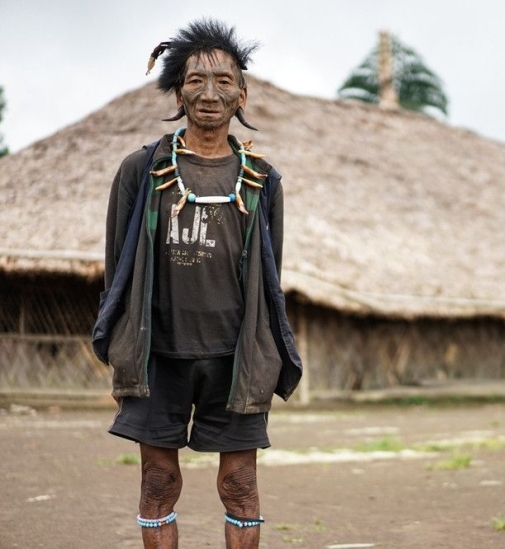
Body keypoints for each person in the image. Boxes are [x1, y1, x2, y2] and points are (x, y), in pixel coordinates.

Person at [92, 19, 302, 549]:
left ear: (242, 94)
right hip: (157, 355)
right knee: (158, 482)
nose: (210, 94)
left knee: (241, 486)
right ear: (178, 91)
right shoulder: (142, 170)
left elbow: (270, 279)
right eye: (195, 81)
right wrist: (121, 341)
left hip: (236, 358)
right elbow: (119, 266)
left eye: (224, 82)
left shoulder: (262, 180)